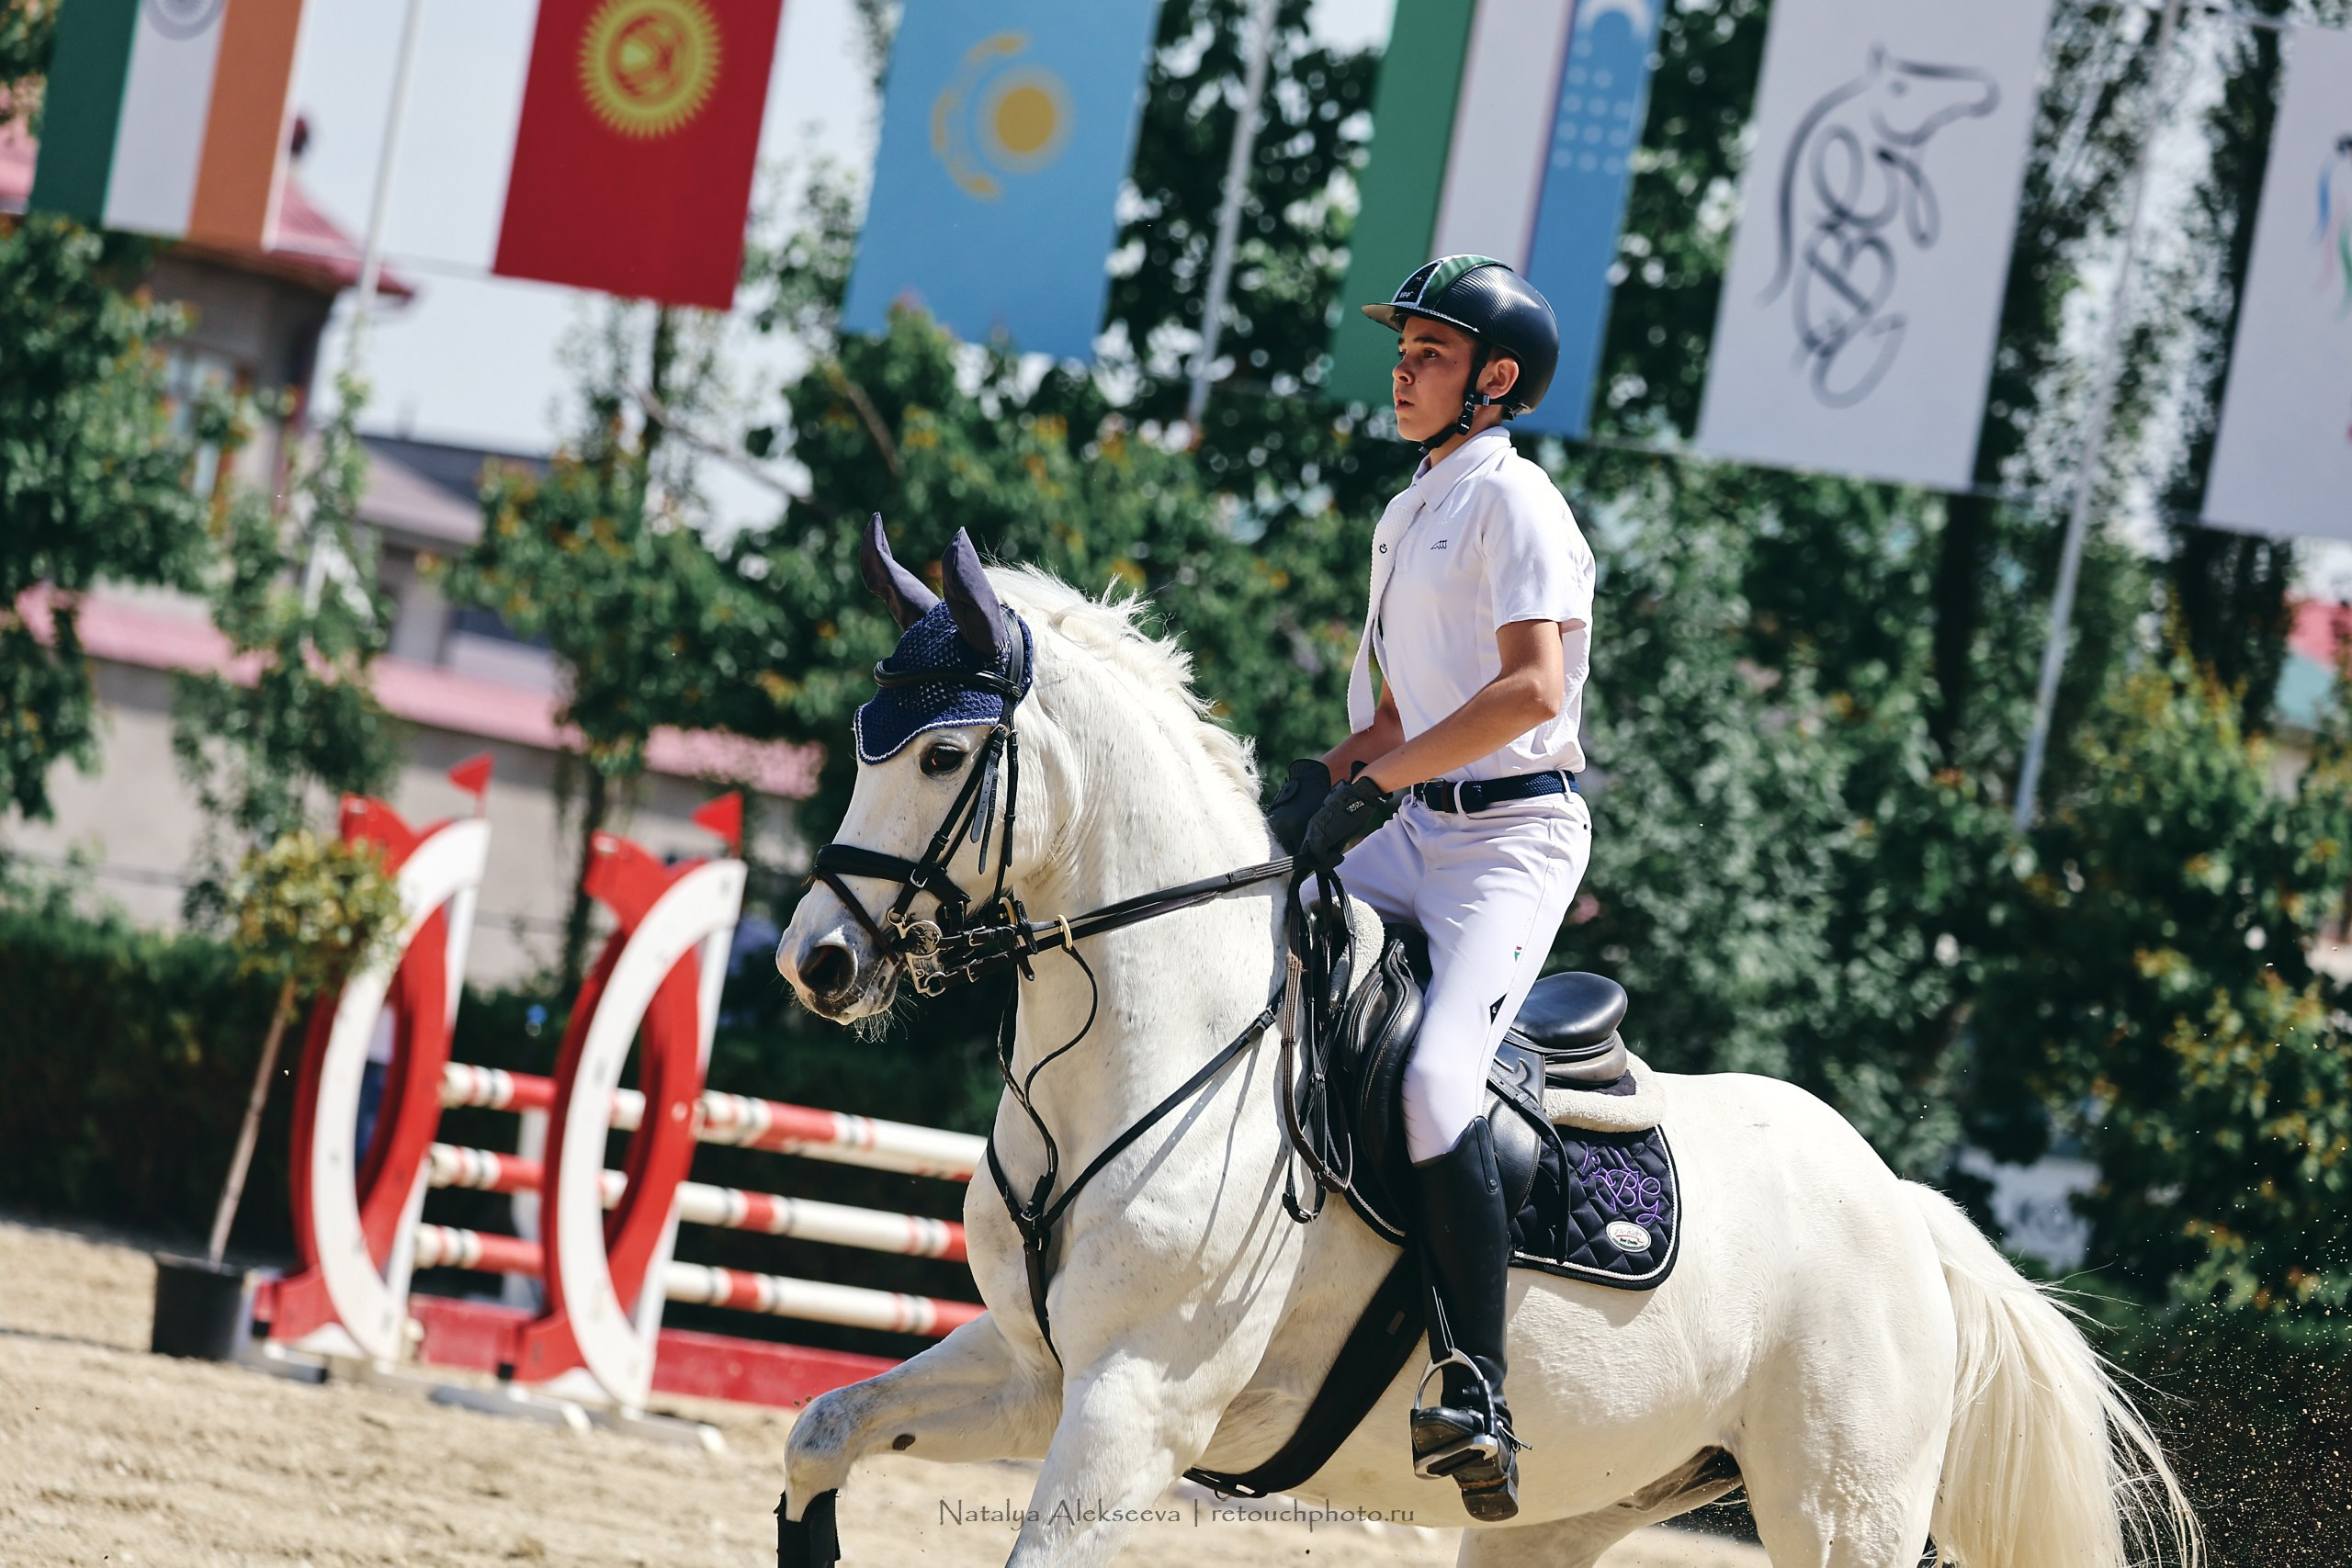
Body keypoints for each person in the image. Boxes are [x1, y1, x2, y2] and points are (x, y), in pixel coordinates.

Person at [1267, 255, 1594, 1523]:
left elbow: (1530, 695)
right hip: (1410, 814)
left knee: (1440, 1077)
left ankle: (1479, 1386)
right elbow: (1410, 703)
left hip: (1506, 843)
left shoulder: (1519, 503)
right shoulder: (1414, 505)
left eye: (1429, 355)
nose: (1401, 371)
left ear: (1494, 381)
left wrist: (1382, 779)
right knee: (1255, 942)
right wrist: (1320, 779)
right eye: (1401, 353)